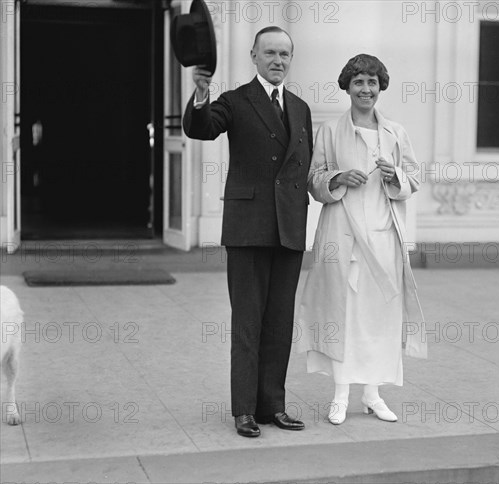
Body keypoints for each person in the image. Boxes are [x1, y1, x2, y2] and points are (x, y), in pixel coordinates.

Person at [183, 26, 313, 437]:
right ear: (253, 56)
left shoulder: (300, 107)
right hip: (247, 228)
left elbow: (302, 167)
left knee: (279, 322)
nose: (278, 61)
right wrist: (200, 96)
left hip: (289, 228)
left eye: (285, 55)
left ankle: (273, 405)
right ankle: (243, 410)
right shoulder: (234, 101)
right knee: (247, 323)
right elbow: (201, 128)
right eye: (270, 53)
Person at [296, 54, 427, 425]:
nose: (365, 89)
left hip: (383, 240)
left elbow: (414, 179)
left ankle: (373, 394)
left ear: (380, 86)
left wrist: (395, 174)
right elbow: (313, 179)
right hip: (343, 238)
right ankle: (339, 396)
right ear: (347, 87)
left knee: (379, 317)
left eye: (372, 82)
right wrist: (337, 178)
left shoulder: (396, 132)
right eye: (358, 82)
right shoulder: (329, 131)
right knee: (344, 317)